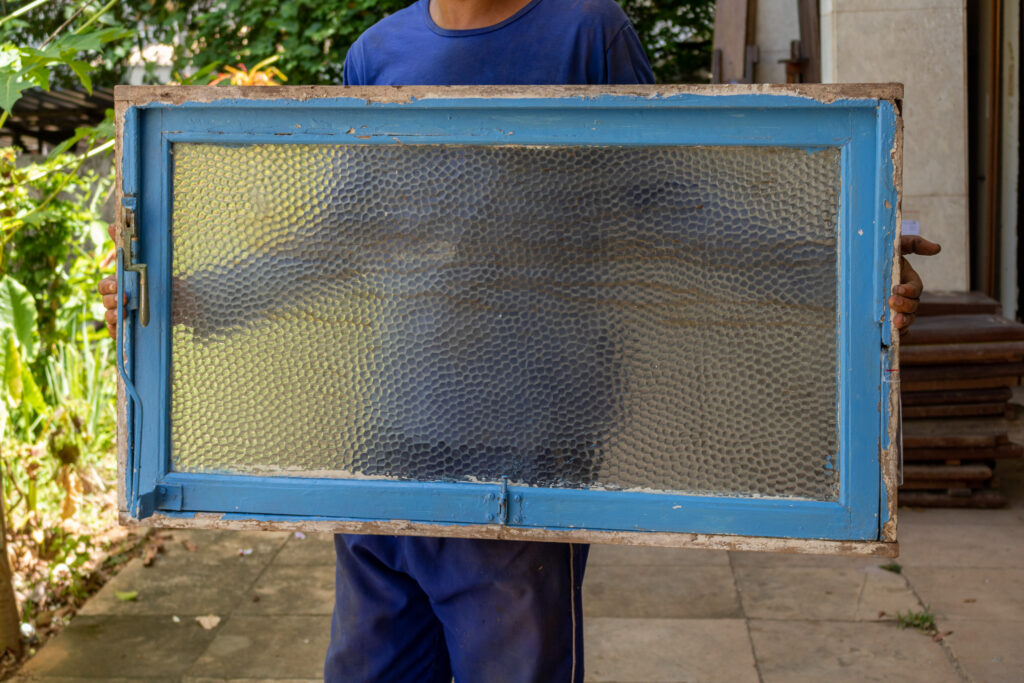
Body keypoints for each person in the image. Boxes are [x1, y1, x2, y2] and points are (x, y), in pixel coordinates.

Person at [98, 1, 941, 680]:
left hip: (528, 443)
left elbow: (670, 203)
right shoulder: (379, 52)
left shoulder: (586, 33)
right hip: (391, 434)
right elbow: (342, 233)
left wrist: (847, 272)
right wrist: (189, 296)